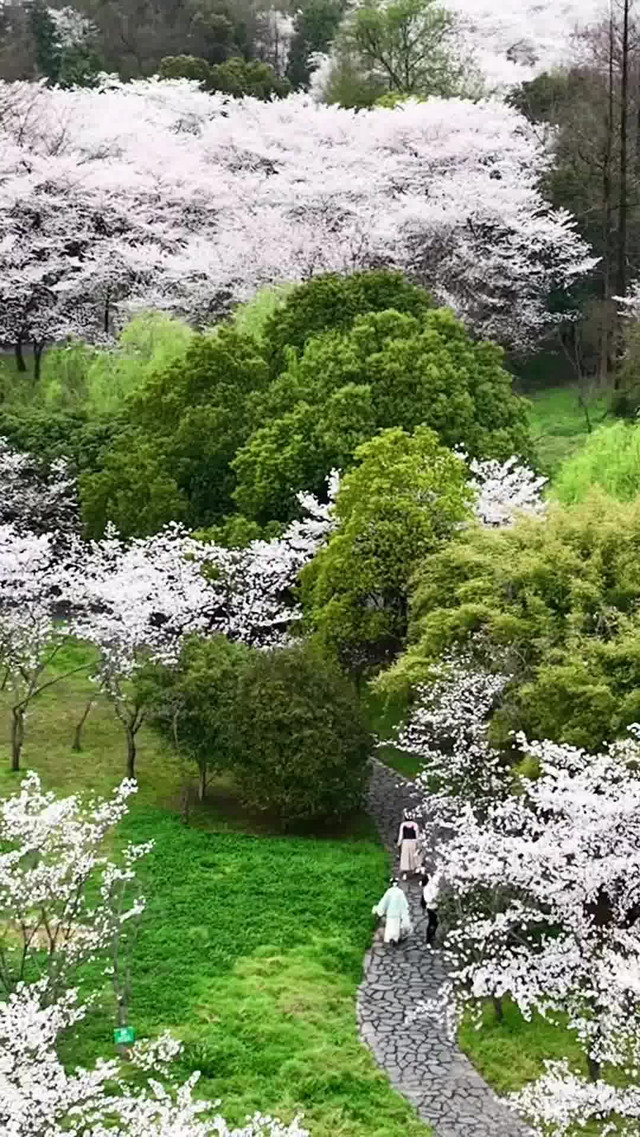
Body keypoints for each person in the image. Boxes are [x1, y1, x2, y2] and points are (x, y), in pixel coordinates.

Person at [372, 878, 413, 945]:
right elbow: (404, 904)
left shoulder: (389, 892)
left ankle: (389, 939)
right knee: (396, 928)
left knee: (390, 927)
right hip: (397, 914)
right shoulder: (400, 892)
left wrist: (379, 910)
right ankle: (395, 939)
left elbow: (384, 902)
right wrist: (404, 914)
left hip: (390, 914)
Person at [397, 810, 420, 880]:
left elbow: (401, 836)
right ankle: (414, 868)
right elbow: (417, 836)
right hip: (413, 842)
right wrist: (418, 844)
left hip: (405, 842)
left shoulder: (403, 825)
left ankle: (405, 873)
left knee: (405, 857)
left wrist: (399, 843)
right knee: (413, 856)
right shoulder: (415, 825)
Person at [420, 871, 441, 948]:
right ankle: (429, 939)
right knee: (432, 923)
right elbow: (428, 899)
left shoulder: (432, 885)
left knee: (435, 923)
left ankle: (432, 936)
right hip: (431, 907)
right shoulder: (426, 888)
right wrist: (435, 898)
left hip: (435, 906)